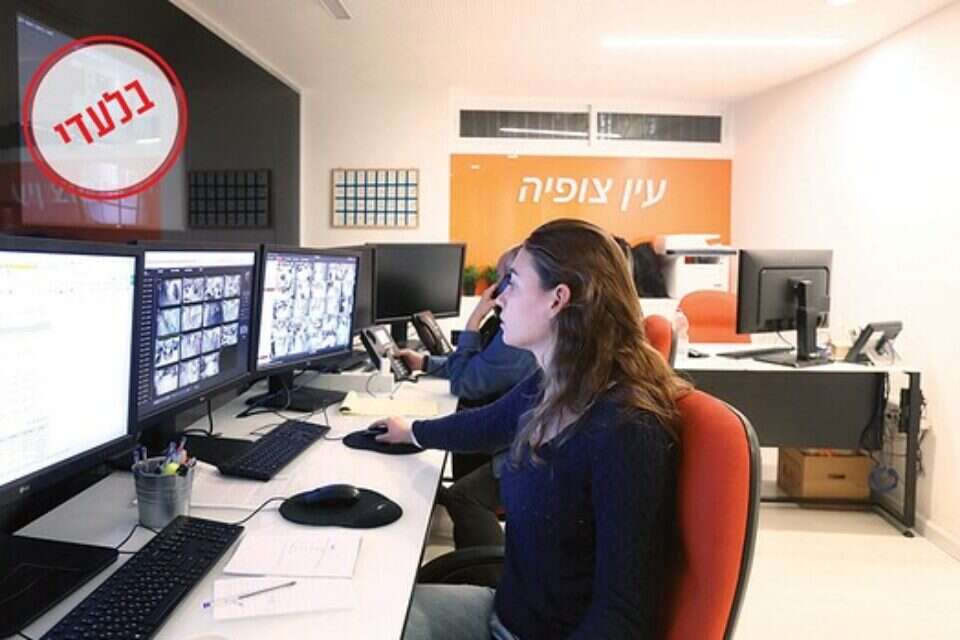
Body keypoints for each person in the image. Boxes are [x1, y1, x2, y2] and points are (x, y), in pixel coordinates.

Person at [373, 219, 691, 639]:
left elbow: (621, 616)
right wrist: (412, 431)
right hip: (507, 610)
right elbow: (485, 425)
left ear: (558, 299)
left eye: (514, 283)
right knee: (368, 612)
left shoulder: (626, 431)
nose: (501, 298)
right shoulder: (555, 383)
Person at [396, 246, 539, 551]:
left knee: (462, 495)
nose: (496, 292)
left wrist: (475, 316)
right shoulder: (539, 347)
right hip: (516, 441)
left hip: (520, 453)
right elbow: (479, 366)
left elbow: (468, 383)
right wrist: (425, 363)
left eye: (508, 281)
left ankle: (483, 570)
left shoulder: (519, 341)